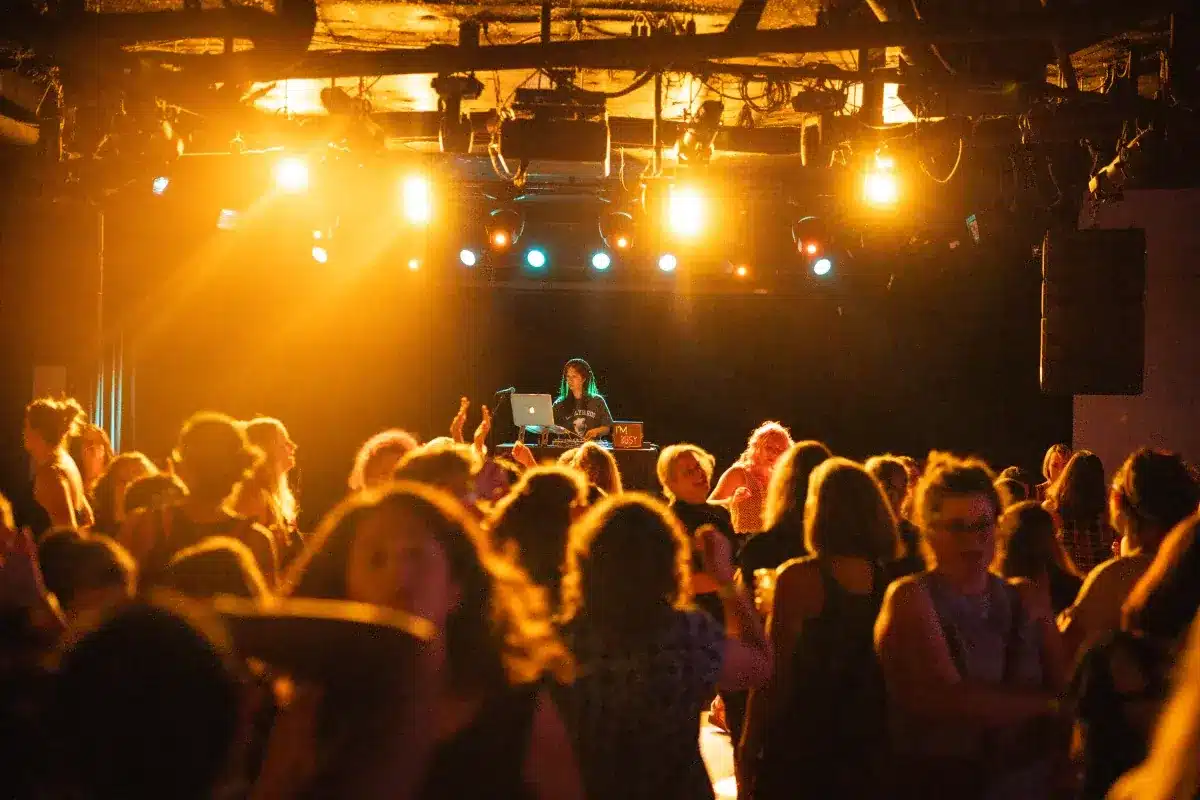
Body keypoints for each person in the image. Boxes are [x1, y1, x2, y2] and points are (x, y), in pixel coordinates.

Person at [875, 452, 1068, 799]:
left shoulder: (1022, 596)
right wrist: (1050, 704)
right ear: (929, 531)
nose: (972, 540)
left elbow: (1067, 682)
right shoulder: (911, 597)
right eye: (957, 527)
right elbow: (955, 701)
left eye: (982, 526)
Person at [555, 494, 771, 800]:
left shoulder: (562, 640)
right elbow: (759, 665)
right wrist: (724, 580)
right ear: (670, 561)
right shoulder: (686, 633)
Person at [740, 458, 899, 799]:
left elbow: (775, 674)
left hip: (806, 744)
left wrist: (749, 745)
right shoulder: (890, 582)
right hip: (867, 745)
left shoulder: (799, 579)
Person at [710, 422, 794, 535]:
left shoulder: (780, 480)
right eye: (769, 447)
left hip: (771, 542)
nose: (774, 453)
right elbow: (710, 505)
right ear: (757, 446)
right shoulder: (738, 473)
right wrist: (730, 502)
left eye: (780, 450)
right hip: (742, 542)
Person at [24, 397, 95, 532]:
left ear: (37, 432)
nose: (24, 432)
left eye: (26, 426)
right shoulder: (67, 463)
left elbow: (67, 534)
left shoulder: (52, 473)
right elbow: (88, 520)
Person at [552, 358, 612, 441]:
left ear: (583, 379)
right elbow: (548, 427)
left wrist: (597, 431)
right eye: (568, 376)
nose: (570, 380)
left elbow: (608, 427)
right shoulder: (559, 404)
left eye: (574, 376)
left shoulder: (597, 401)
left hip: (590, 447)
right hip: (567, 448)